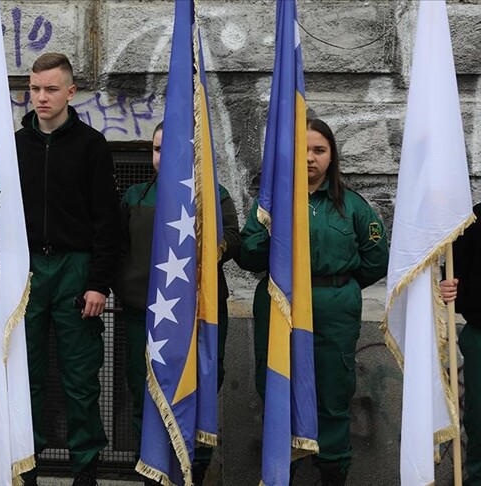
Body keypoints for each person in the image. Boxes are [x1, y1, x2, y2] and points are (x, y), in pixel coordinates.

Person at [236, 118, 389, 485]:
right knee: (277, 390)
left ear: (331, 157)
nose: (309, 158)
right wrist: (271, 229)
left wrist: (338, 287)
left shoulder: (352, 206)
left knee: (333, 393)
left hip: (333, 308)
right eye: (302, 150)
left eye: (319, 150)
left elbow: (375, 259)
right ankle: (281, 471)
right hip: (281, 306)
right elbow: (247, 255)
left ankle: (333, 472)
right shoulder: (270, 204)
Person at [15, 52, 123, 486]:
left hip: (75, 269)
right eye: (36, 89)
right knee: (28, 375)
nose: (41, 98)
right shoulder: (14, 145)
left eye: (51, 89)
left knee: (80, 377)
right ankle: (27, 462)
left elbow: (106, 220)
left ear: (70, 92)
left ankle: (86, 468)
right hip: (26, 271)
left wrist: (99, 283)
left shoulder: (90, 144)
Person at [115, 121, 240, 484]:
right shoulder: (136, 196)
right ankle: (152, 470)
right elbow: (118, 245)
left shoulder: (215, 195)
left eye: (170, 149)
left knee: (199, 393)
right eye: (156, 149)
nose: (162, 156)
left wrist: (203, 243)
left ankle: (194, 471)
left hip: (199, 316)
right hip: (145, 315)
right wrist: (125, 286)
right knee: (145, 391)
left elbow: (233, 238)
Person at [440, 203, 481, 485]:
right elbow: (453, 275)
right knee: (479, 419)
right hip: (480, 334)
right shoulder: (470, 225)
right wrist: (448, 287)